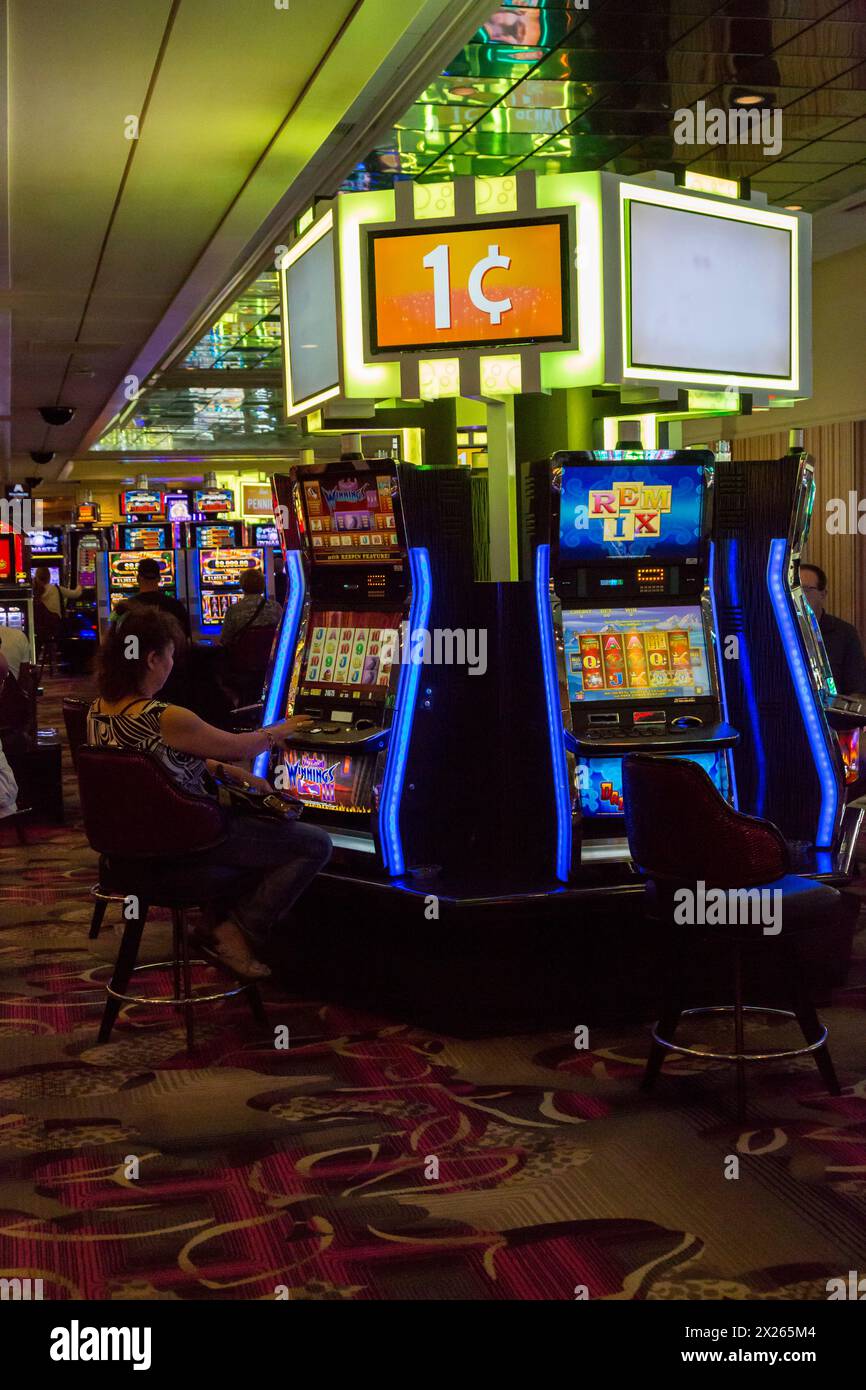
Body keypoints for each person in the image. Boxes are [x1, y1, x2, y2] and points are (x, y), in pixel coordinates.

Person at [87, 606, 331, 978]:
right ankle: (236, 931)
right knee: (314, 843)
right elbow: (241, 745)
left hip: (129, 848)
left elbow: (158, 763)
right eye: (170, 654)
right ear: (152, 659)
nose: (172, 663)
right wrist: (285, 728)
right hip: (185, 843)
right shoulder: (164, 716)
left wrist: (232, 772)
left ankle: (210, 927)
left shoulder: (99, 711)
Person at [800, 563, 866, 695]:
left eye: (806, 589)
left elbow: (856, 689)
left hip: (831, 711)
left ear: (823, 594)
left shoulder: (844, 633)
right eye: (794, 590)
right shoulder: (777, 632)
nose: (798, 595)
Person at [125, 556, 191, 638]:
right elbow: (186, 636)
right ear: (159, 578)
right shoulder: (176, 606)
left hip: (137, 650)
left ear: (138, 579)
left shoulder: (125, 608)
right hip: (168, 650)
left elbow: (115, 639)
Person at [219, 566, 282, 646]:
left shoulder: (233, 610)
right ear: (263, 587)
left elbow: (225, 640)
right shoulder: (275, 607)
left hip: (242, 657)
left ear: (242, 587)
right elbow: (282, 635)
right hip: (269, 656)